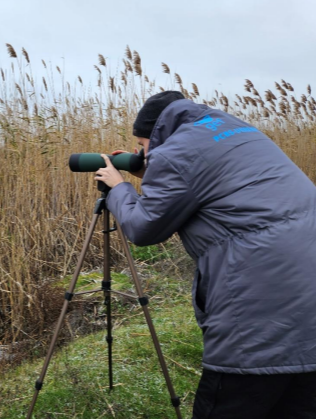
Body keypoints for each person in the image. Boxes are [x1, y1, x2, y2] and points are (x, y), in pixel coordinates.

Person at [94, 91, 316, 419]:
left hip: (259, 308)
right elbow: (217, 183)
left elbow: (143, 229)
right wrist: (152, 174)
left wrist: (119, 188)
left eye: (141, 146)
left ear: (154, 135)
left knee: (233, 400)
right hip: (307, 292)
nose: (141, 153)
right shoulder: (239, 130)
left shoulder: (175, 154)